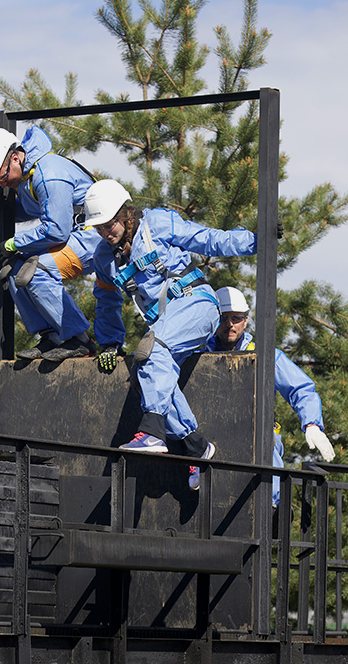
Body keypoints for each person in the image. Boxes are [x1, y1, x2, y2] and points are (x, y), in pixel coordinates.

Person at [84, 179, 258, 490]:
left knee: (153, 350)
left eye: (108, 223)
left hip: (197, 304)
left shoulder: (158, 224)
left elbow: (208, 239)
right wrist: (109, 342)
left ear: (124, 215)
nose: (105, 232)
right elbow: (107, 301)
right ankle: (197, 448)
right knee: (150, 372)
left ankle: (152, 431)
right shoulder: (104, 257)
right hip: (166, 324)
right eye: (98, 227)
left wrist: (257, 242)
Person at [0, 125, 100, 361]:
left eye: (1, 176)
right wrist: (8, 210)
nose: (2, 184)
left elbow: (56, 230)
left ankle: (80, 340)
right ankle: (50, 337)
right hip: (75, 235)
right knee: (13, 272)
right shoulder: (29, 174)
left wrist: (15, 243)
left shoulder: (49, 173)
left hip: (95, 236)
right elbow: (38, 209)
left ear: (15, 158)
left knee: (35, 271)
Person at [205, 286, 335, 507]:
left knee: (267, 442)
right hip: (210, 439)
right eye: (223, 318)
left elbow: (301, 389)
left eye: (236, 318)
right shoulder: (198, 354)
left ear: (245, 320)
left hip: (254, 440)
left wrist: (312, 423)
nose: (230, 324)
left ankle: (272, 509)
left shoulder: (265, 356)